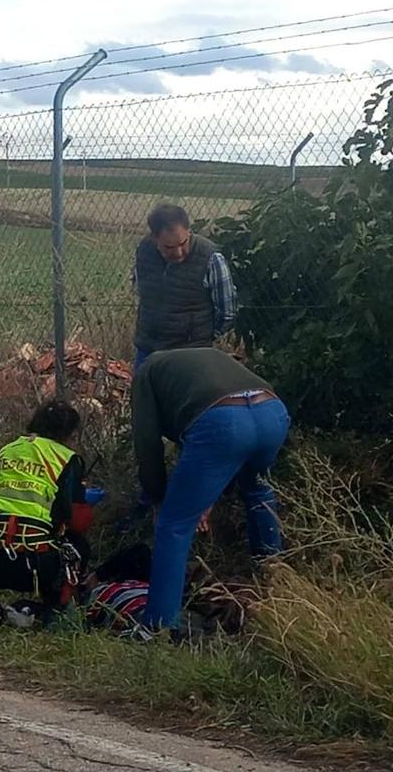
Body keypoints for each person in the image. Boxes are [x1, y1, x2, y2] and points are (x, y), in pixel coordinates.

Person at [132, 347, 289, 631]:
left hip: (222, 423)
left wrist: (158, 498)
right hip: (272, 414)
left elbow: (147, 445)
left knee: (174, 525)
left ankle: (158, 626)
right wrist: (206, 497)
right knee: (257, 493)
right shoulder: (201, 361)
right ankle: (276, 590)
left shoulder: (146, 373)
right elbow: (206, 456)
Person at [0, 400, 88, 619]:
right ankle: (53, 611)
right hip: (34, 566)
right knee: (78, 546)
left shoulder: (7, 450)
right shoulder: (66, 458)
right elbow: (69, 515)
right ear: (69, 434)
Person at [133, 203, 237, 370]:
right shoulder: (144, 251)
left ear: (189, 231)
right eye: (169, 247)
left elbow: (227, 312)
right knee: (143, 395)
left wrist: (202, 338)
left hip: (192, 354)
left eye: (183, 243)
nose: (179, 252)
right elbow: (139, 290)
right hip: (148, 349)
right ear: (155, 239)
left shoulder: (211, 258)